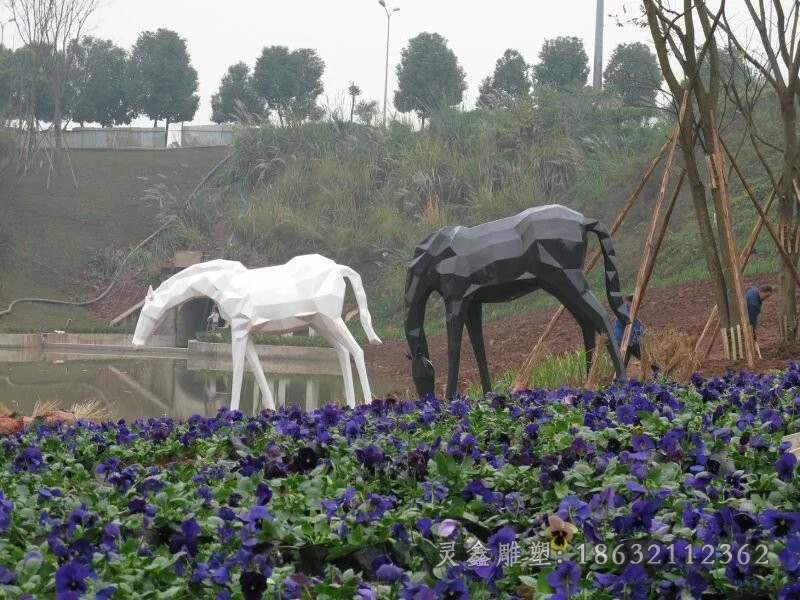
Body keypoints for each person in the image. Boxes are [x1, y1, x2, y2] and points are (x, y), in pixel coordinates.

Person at [613, 294, 646, 368]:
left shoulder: (630, 310)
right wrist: (644, 332)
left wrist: (644, 331)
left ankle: (659, 374)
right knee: (647, 358)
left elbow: (637, 325)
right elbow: (632, 325)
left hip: (628, 341)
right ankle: (659, 374)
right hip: (624, 340)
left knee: (622, 365)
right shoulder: (626, 309)